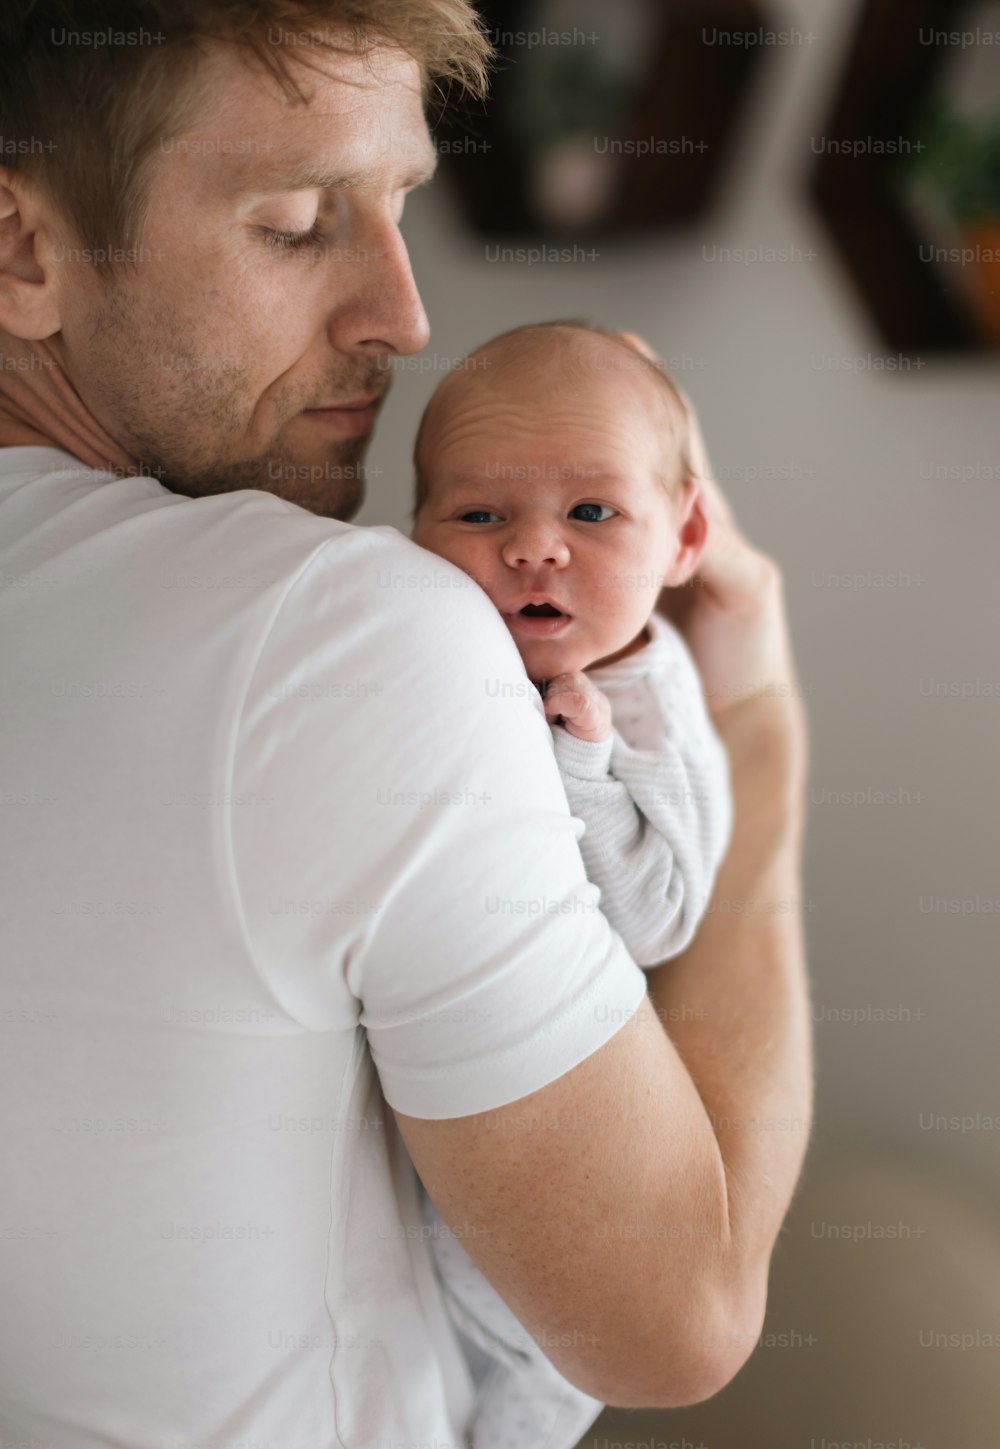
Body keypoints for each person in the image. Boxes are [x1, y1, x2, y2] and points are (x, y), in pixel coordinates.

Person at [0, 6, 813, 1447]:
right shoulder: (338, 630)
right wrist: (754, 732)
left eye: (402, 207)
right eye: (301, 223)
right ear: (22, 248)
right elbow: (678, 1317)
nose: (407, 314)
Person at [409, 319, 735, 1448]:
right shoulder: (430, 637)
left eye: (591, 512)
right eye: (479, 514)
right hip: (420, 1147)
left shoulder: (648, 700)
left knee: (534, 1392)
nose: (534, 547)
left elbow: (659, 917)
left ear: (684, 536)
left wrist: (586, 769)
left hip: (576, 1169)